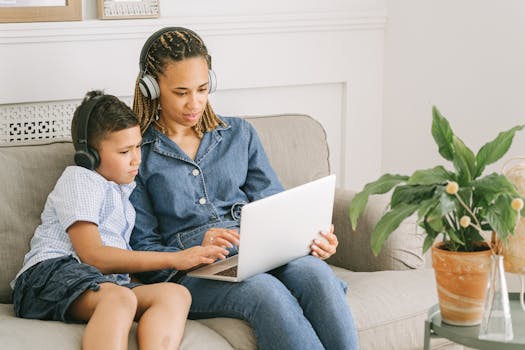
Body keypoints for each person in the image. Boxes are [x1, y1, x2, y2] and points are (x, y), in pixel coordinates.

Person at [130, 27, 359, 350]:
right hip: (192, 274)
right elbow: (142, 248)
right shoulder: (138, 153)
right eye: (181, 92)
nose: (194, 103)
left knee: (317, 276)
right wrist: (196, 245)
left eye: (202, 89)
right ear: (152, 88)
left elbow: (276, 206)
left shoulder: (239, 134)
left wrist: (312, 239)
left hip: (259, 254)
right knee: (265, 291)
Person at [11, 90, 229, 350]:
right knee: (119, 298)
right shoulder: (81, 179)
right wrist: (175, 258)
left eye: (138, 146)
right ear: (89, 155)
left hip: (106, 283)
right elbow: (93, 255)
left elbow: (115, 266)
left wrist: (190, 256)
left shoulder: (123, 193)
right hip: (49, 275)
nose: (137, 158)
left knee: (175, 294)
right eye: (125, 151)